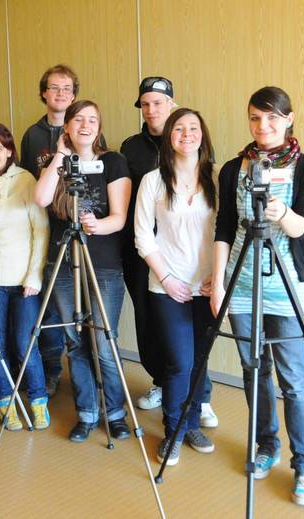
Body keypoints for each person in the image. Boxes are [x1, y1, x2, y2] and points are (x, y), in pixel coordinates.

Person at [211, 86, 304, 506]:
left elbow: (302, 226)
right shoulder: (233, 168)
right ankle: (265, 446)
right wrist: (218, 281)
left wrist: (283, 212)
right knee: (253, 371)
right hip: (240, 284)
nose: (264, 126)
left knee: (294, 380)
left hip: (287, 286)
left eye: (273, 118)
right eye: (256, 118)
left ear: (289, 119)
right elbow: (223, 226)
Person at [121, 77, 218, 428]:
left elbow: (224, 232)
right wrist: (166, 276)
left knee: (197, 358)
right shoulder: (150, 176)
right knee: (176, 357)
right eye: (180, 130)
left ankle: (194, 415)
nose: (186, 135)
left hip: (207, 282)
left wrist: (217, 277)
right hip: (164, 278)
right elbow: (142, 233)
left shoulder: (216, 177)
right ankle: (174, 427)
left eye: (193, 129)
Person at [34, 100, 132, 443]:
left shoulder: (113, 161)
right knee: (74, 342)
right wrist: (61, 156)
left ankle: (115, 413)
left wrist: (96, 225)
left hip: (102, 264)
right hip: (63, 263)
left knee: (105, 341)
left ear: (99, 126)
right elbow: (41, 199)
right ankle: (87, 413)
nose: (85, 126)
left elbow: (119, 218)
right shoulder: (56, 163)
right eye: (78, 120)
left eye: (92, 120)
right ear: (68, 127)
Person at [0, 123, 50, 431]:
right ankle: (5, 400)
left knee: (25, 342)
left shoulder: (26, 180)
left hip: (24, 280)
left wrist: (34, 276)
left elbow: (40, 231)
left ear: (10, 151)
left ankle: (38, 400)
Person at [19, 64, 80, 396]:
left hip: (80, 226)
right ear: (44, 93)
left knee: (77, 301)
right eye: (55, 88)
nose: (61, 94)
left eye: (68, 88)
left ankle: (84, 370)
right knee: (51, 303)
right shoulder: (33, 135)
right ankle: (52, 369)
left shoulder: (83, 126)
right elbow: (29, 184)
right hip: (47, 228)